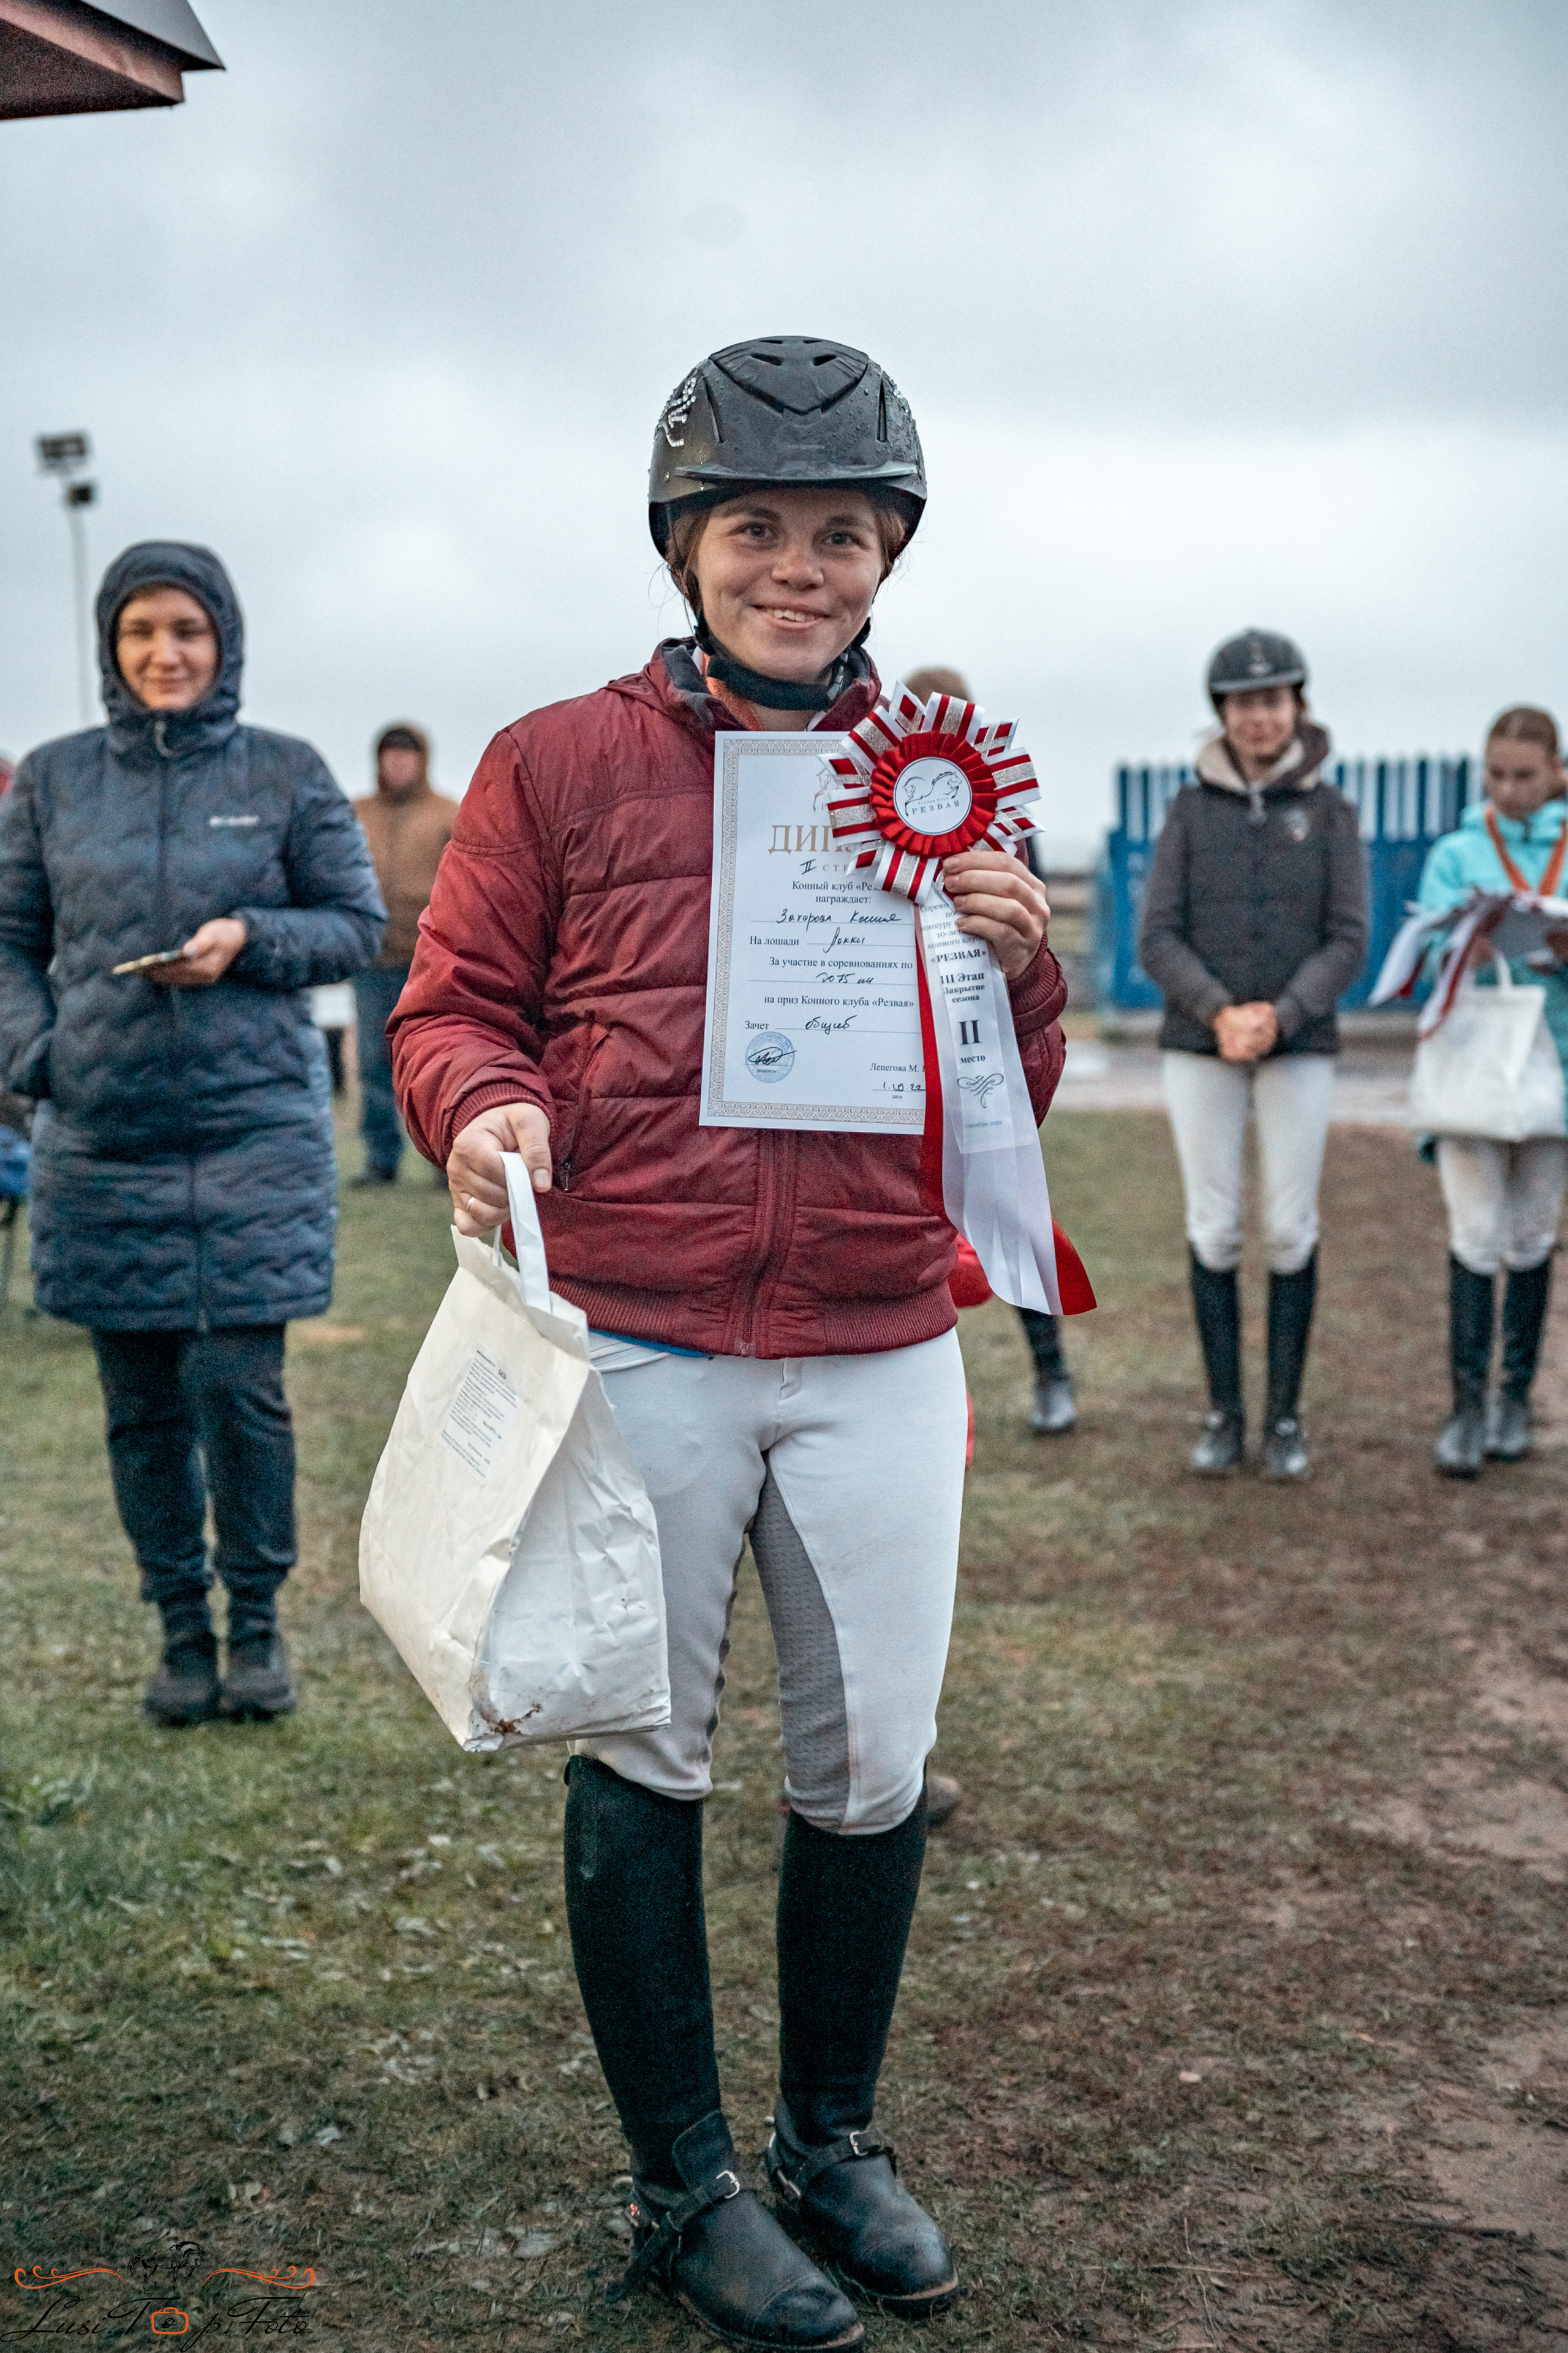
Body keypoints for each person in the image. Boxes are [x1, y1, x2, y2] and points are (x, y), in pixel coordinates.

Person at [390, 336, 1066, 2347]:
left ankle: (830, 2141)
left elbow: (996, 1085)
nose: (798, 567)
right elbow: (453, 1003)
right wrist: (473, 1107)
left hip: (870, 1331)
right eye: (756, 528)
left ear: (889, 556)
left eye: (839, 534)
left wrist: (1025, 976)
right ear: (685, 545)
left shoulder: (942, 774)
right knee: (647, 1744)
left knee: (873, 1766)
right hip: (646, 1333)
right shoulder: (551, 761)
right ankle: (684, 2181)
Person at [0, 542, 384, 1726]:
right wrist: (38, 1057)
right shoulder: (55, 780)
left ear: (225, 640)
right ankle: (179, 1629)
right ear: (112, 648)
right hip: (100, 1139)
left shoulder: (285, 771)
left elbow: (355, 926)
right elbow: (9, 940)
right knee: (142, 1402)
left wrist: (246, 939)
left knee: (240, 1389)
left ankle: (257, 1624)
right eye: (140, 633)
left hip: (251, 1136)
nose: (165, 653)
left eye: (188, 631)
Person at [1137, 628, 1367, 1480]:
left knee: (1291, 1227)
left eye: (1273, 699)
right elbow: (1157, 935)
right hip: (1201, 1045)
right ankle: (1223, 1414)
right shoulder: (1188, 811)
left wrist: (1284, 1013)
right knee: (1216, 1225)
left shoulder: (1334, 812)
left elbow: (1348, 937)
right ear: (1224, 714)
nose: (1259, 716)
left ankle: (1285, 1419)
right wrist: (1220, 1011)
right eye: (1243, 702)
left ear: (1297, 707)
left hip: (1299, 1045)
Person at [907, 664, 1076, 1437]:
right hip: (902, 1044)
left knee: (1010, 1210)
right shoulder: (862, 809)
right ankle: (936, 1384)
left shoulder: (1004, 811)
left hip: (979, 1040)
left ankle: (1052, 1373)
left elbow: (1026, 924)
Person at [1416, 706, 1568, 1476]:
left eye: (1525, 775)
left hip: (1557, 1069)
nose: (1507, 789)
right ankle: (1466, 1407)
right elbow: (1427, 948)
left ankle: (1515, 1397)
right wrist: (1466, 944)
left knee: (1532, 1235)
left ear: (1557, 772)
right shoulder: (1456, 851)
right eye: (1496, 773)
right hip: (1474, 1063)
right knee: (1475, 1233)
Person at [349, 723, 454, 1184]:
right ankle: (380, 1161)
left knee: (435, 1062)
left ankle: (445, 1160)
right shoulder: (355, 813)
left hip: (429, 964)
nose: (398, 762)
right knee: (374, 1063)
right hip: (371, 960)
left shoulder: (449, 814)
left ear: (422, 760)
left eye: (406, 755)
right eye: (390, 754)